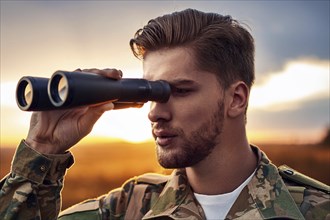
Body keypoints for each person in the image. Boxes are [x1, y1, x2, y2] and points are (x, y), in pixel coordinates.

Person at [0, 8, 329, 220]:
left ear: (236, 99)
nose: (156, 113)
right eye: (151, 92)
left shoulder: (315, 211)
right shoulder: (127, 209)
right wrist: (42, 150)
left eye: (180, 91)